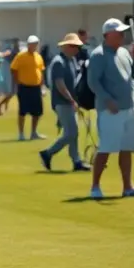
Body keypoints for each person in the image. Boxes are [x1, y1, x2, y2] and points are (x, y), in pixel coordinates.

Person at [87, 18, 134, 200]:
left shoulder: (124, 52)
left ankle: (128, 187)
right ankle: (95, 186)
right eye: (119, 32)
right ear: (108, 35)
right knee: (106, 148)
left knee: (127, 148)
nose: (123, 35)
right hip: (110, 110)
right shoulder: (98, 55)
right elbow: (93, 82)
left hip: (130, 106)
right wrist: (107, 100)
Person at [39, 34, 89, 172]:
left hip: (70, 102)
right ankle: (48, 153)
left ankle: (76, 161)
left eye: (77, 47)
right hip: (62, 102)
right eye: (73, 46)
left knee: (73, 132)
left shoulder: (71, 60)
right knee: (71, 132)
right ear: (66, 46)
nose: (76, 49)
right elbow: (59, 84)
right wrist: (71, 99)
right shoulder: (58, 62)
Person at [10, 35, 46, 141]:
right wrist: (17, 82)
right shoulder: (21, 56)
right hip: (24, 87)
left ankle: (33, 133)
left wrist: (42, 86)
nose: (34, 46)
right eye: (32, 44)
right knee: (23, 111)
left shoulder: (38, 56)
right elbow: (13, 69)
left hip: (36, 87)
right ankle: (21, 134)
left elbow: (41, 71)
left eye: (36, 44)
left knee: (37, 111)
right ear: (28, 44)